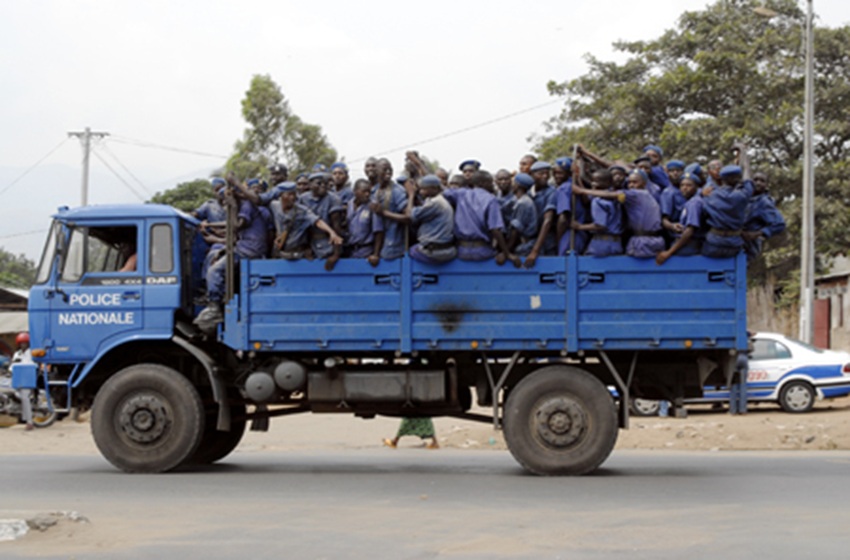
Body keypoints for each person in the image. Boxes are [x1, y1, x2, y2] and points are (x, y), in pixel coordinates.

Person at [195, 186, 272, 330]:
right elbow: (231, 226)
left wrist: (232, 205)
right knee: (217, 259)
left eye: (226, 200)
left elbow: (235, 226)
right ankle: (219, 298)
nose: (224, 204)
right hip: (244, 248)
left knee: (214, 271)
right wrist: (210, 225)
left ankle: (214, 308)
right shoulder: (243, 206)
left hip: (249, 250)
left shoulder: (246, 206)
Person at [574, 168, 665, 258]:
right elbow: (591, 199)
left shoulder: (635, 194)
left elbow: (600, 224)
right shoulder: (647, 196)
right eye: (629, 182)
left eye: (635, 182)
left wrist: (581, 191)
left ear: (644, 183)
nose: (631, 185)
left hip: (635, 242)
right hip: (621, 243)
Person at [442, 170, 518, 265]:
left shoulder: (461, 194)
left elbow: (443, 191)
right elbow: (495, 229)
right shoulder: (491, 199)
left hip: (461, 251)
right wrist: (507, 254)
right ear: (483, 183)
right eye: (491, 182)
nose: (492, 185)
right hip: (482, 252)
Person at [377, 175, 457, 264]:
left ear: (434, 189)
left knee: (410, 251)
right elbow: (422, 207)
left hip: (436, 251)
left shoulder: (436, 203)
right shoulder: (436, 200)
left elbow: (410, 215)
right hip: (444, 248)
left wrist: (411, 195)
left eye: (423, 189)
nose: (420, 191)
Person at [270, 182, 343, 265]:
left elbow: (318, 221)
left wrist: (332, 233)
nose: (293, 197)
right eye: (289, 195)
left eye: (294, 194)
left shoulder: (301, 211)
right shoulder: (274, 206)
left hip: (297, 255)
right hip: (280, 253)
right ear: (281, 196)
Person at [701, 164, 752, 258]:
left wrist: (702, 194)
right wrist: (743, 152)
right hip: (734, 243)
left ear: (722, 179)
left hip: (714, 242)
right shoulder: (743, 195)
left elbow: (703, 212)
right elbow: (748, 178)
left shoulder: (710, 196)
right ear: (738, 179)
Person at [655, 171, 706, 264]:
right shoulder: (690, 201)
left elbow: (690, 231)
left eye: (689, 185)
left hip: (688, 246)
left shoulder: (694, 203)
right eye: (682, 185)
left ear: (696, 187)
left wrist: (669, 252)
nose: (684, 188)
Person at [571, 169, 624, 256]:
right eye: (592, 181)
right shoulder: (614, 195)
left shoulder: (598, 201)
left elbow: (600, 225)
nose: (593, 184)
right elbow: (587, 199)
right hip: (616, 243)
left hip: (601, 243)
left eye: (597, 181)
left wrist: (579, 226)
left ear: (607, 182)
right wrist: (578, 180)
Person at [300, 172, 345, 269]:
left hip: (328, 244)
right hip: (310, 244)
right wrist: (306, 247)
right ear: (310, 185)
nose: (323, 186)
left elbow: (337, 227)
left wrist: (336, 255)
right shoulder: (303, 199)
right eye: (319, 183)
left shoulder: (334, 199)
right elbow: (301, 225)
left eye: (325, 183)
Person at [370, 159, 408, 260]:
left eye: (390, 169)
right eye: (384, 169)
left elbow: (408, 217)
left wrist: (384, 213)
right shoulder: (374, 191)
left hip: (393, 244)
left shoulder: (397, 191)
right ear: (376, 171)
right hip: (375, 243)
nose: (388, 172)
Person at [742, 171, 786, 259]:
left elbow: (779, 224)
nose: (758, 183)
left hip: (749, 246)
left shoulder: (764, 203)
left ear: (766, 185)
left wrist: (757, 233)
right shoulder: (745, 197)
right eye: (755, 180)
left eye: (762, 181)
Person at [524, 161, 558, 267]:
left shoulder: (551, 192)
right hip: (531, 239)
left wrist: (535, 251)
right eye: (540, 173)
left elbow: (548, 221)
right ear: (531, 175)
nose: (545, 176)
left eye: (547, 173)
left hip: (546, 240)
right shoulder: (528, 193)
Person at [554, 157, 589, 255]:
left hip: (570, 234)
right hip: (580, 236)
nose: (557, 176)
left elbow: (563, 218)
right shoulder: (574, 186)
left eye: (560, 173)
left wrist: (558, 240)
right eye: (555, 173)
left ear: (569, 174)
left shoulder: (564, 188)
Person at [344, 179, 383, 265]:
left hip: (366, 252)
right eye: (364, 191)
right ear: (355, 191)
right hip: (350, 251)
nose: (367, 194)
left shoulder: (372, 206)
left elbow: (378, 232)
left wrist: (376, 255)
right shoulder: (349, 204)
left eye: (369, 191)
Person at [506, 173, 539, 256]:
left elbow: (515, 230)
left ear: (517, 186)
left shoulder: (523, 203)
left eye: (513, 182)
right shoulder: (521, 200)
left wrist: (506, 252)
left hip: (525, 246)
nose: (511, 185)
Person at [12, 332, 34, 431]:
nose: (23, 345)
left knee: (25, 397)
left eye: (25, 343)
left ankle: (29, 422)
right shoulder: (17, 354)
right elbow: (12, 367)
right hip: (18, 378)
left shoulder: (32, 353)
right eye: (21, 343)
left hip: (27, 378)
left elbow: (32, 365)